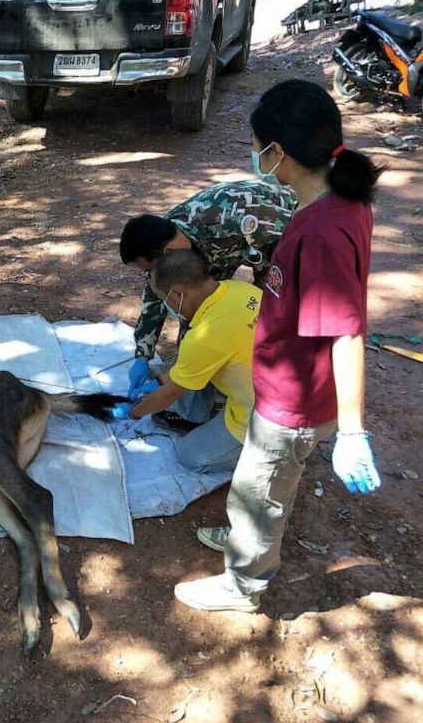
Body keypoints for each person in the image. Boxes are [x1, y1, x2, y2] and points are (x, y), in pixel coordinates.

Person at [174, 79, 382, 613]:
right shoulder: (334, 201)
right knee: (265, 485)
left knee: (259, 486)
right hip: (287, 386)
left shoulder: (323, 230)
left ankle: (243, 584)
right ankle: (250, 539)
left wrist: (353, 431)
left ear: (279, 152)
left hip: (294, 402)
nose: (254, 153)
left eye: (256, 144)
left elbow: (347, 331)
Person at [119, 180, 296, 430]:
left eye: (149, 268)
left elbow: (286, 253)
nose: (150, 274)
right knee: (200, 330)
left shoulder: (231, 222)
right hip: (238, 247)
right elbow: (157, 298)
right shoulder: (164, 239)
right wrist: (142, 354)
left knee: (267, 319)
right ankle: (196, 406)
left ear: (168, 254)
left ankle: (272, 398)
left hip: (277, 233)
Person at [110, 250, 260, 474]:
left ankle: (269, 453)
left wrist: (135, 412)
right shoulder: (241, 289)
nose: (168, 307)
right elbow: (193, 364)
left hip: (268, 414)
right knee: (188, 367)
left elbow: (171, 392)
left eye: (164, 299)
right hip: (278, 380)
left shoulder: (204, 337)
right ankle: (199, 416)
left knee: (191, 456)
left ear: (178, 294)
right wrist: (159, 379)